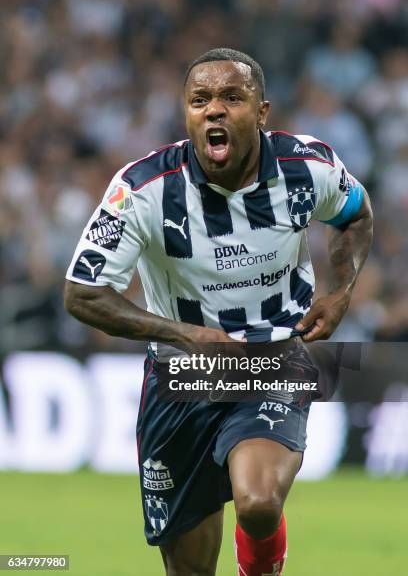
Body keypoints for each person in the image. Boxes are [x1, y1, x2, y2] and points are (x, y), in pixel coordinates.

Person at [64, 48, 373, 576]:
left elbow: (355, 214)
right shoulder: (143, 190)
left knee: (257, 502)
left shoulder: (307, 167)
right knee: (189, 569)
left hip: (273, 358)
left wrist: (340, 291)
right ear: (186, 113)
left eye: (233, 97)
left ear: (262, 112)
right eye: (200, 100)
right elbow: (82, 293)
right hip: (181, 379)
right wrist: (184, 334)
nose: (215, 110)